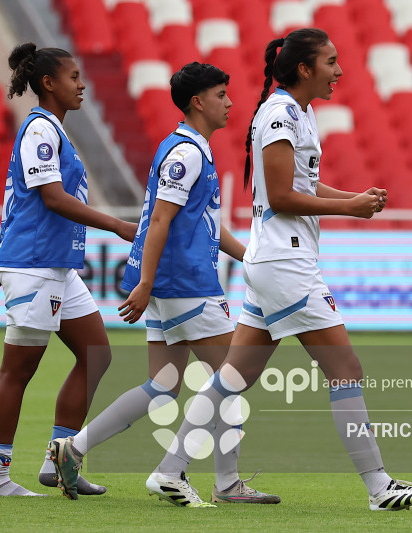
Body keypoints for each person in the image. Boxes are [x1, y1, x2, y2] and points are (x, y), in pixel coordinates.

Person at [150, 28, 412, 511]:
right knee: (345, 369)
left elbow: (301, 182)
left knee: (232, 377)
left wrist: (353, 197)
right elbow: (282, 196)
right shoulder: (280, 114)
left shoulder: (296, 113)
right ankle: (379, 488)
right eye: (330, 62)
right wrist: (350, 211)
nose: (339, 71)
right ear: (304, 69)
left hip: (274, 261)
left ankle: (168, 469)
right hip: (287, 263)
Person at [48, 62, 280, 506]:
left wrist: (251, 257)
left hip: (170, 285)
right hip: (186, 284)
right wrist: (147, 281)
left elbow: (205, 225)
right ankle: (190, 475)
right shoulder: (188, 153)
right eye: (221, 94)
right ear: (198, 101)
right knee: (233, 376)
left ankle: (73, 447)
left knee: (163, 385)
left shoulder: (188, 148)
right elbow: (158, 220)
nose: (230, 103)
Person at [0, 42, 137, 497]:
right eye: (74, 77)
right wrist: (118, 225)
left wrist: (6, 264)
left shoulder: (54, 130)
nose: (82, 85)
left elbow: (20, 203)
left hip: (52, 266)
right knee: (17, 371)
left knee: (96, 355)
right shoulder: (40, 129)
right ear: (48, 83)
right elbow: (52, 199)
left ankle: (59, 460)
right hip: (37, 266)